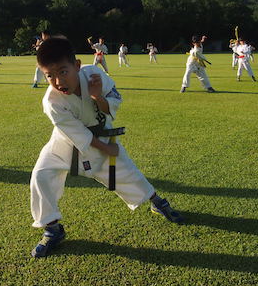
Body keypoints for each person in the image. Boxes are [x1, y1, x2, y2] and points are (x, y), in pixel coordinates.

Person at [30, 37, 184, 258]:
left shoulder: (94, 74)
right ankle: (52, 229)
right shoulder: (52, 102)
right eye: (49, 75)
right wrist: (103, 146)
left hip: (102, 133)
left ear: (77, 65)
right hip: (64, 142)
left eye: (63, 72)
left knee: (127, 172)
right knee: (41, 175)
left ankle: (157, 202)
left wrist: (97, 96)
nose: (57, 81)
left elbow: (114, 103)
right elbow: (77, 133)